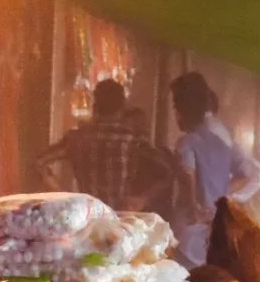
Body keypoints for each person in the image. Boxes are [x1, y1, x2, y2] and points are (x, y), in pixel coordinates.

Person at [36, 78, 170, 212]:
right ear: (122, 107)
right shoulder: (134, 140)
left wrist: (64, 195)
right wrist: (143, 199)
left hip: (87, 216)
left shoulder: (76, 138)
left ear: (95, 105)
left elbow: (40, 162)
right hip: (122, 220)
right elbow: (166, 172)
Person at [170, 71, 260, 264]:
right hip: (214, 236)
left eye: (175, 107)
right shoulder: (222, 142)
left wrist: (195, 204)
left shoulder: (186, 142)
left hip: (187, 238)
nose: (175, 115)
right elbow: (247, 175)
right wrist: (217, 195)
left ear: (184, 109)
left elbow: (188, 177)